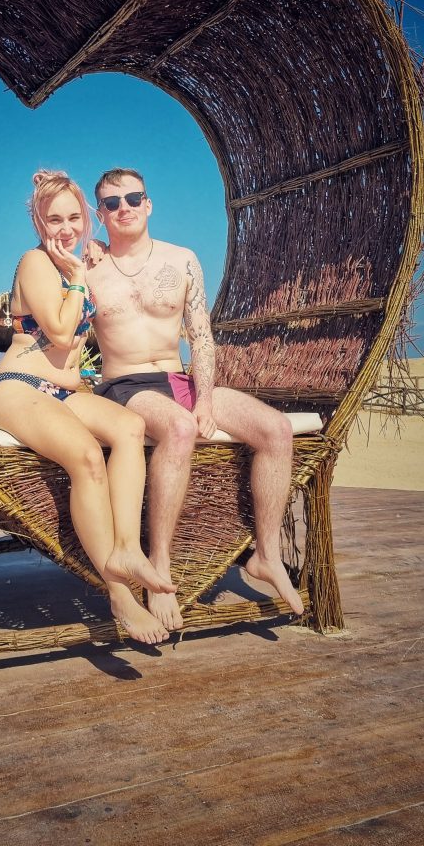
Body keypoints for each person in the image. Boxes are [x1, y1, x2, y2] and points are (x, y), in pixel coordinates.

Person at [87, 167, 304, 632]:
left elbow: (201, 338)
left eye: (132, 198)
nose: (123, 207)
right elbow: (52, 325)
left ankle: (266, 555)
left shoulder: (182, 260)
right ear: (100, 214)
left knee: (276, 430)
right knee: (181, 428)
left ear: (148, 204)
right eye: (110, 203)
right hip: (124, 386)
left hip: (178, 379)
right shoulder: (89, 268)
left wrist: (204, 395)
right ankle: (158, 567)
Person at [0, 170, 175, 644]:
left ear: (86, 218)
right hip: (18, 384)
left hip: (65, 390)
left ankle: (127, 548)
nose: (65, 228)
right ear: (38, 221)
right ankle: (119, 594)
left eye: (73, 217)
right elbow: (63, 333)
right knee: (87, 456)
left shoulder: (84, 260)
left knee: (129, 427)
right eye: (53, 219)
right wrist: (74, 277)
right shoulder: (36, 263)